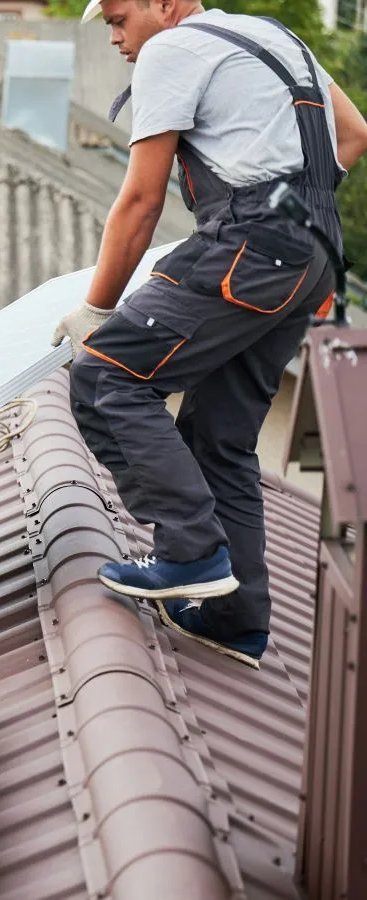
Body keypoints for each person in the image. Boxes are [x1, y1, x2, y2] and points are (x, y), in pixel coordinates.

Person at [53, 0, 367, 668]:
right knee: (219, 437)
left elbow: (139, 201)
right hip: (311, 259)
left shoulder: (175, 47)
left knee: (107, 376)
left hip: (250, 248)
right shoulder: (271, 35)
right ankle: (235, 619)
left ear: (164, 5)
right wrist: (291, 202)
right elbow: (354, 134)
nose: (115, 37)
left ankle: (190, 551)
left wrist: (97, 310)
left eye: (118, 18)